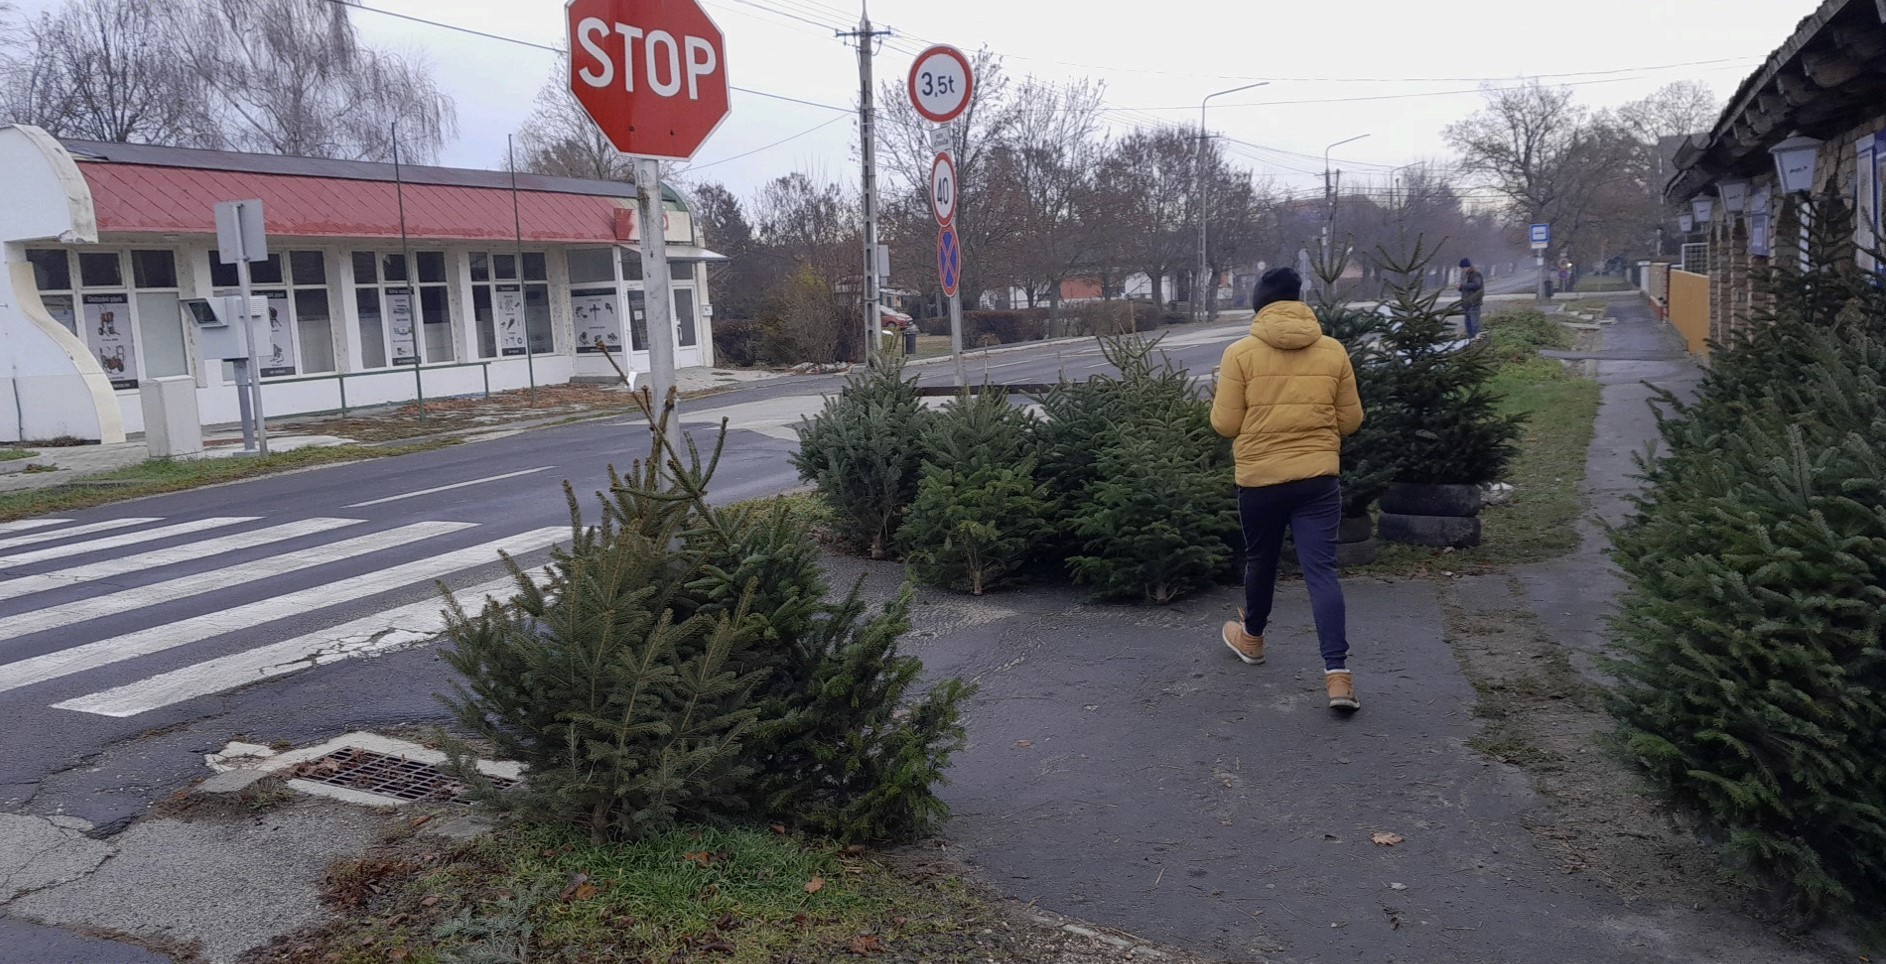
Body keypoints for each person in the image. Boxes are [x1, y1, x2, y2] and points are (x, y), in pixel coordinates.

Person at [1210, 267, 1365, 711]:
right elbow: (1351, 421)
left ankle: (1252, 639)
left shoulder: (1239, 354)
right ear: (1300, 301)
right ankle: (1338, 676)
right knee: (1322, 571)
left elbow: (1225, 425)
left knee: (1262, 559)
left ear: (1259, 304)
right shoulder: (1333, 351)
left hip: (1260, 481)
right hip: (1318, 480)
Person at [1457, 258, 1485, 339]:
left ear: (1467, 267)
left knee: (1474, 324)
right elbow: (1466, 288)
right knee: (1468, 323)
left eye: (1462, 268)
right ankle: (1471, 340)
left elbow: (1476, 285)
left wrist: (1463, 286)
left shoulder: (1476, 274)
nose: (1462, 270)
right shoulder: (1466, 275)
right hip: (1466, 304)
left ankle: (1476, 340)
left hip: (1474, 303)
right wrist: (1460, 288)